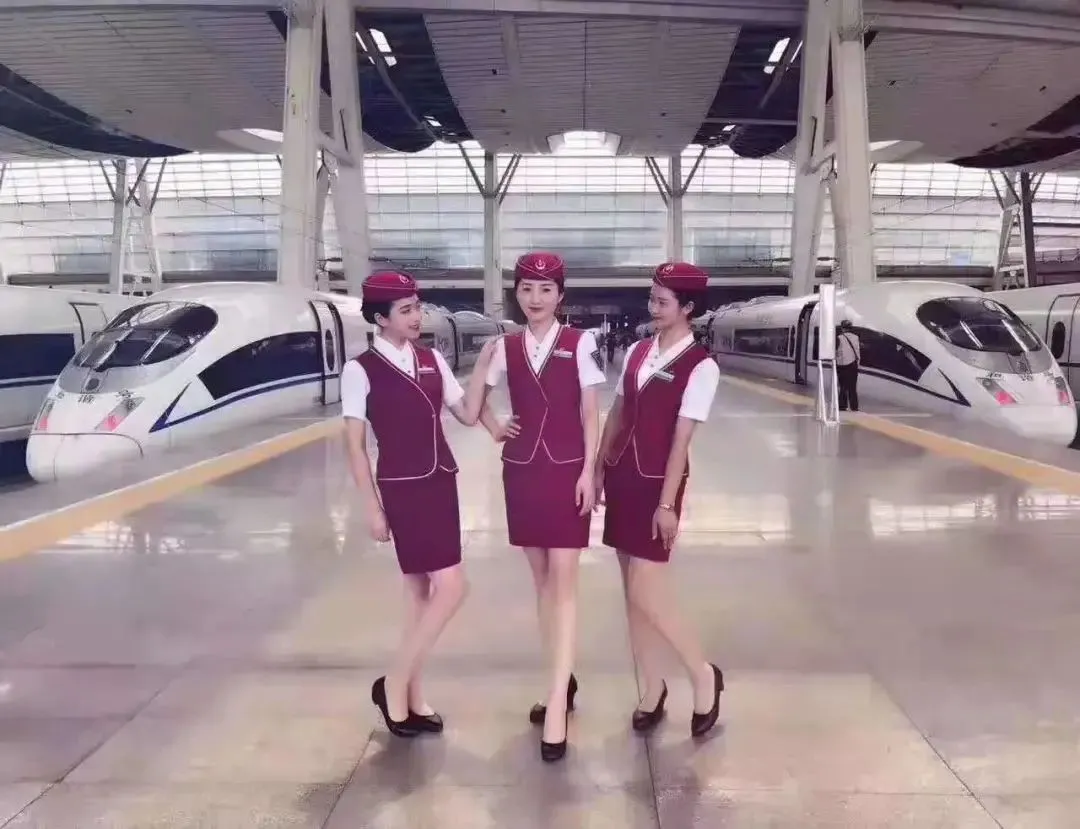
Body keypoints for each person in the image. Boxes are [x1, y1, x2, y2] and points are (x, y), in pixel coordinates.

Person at [343, 270, 517, 738]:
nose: (417, 317)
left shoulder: (432, 359)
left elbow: (466, 413)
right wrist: (372, 507)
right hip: (402, 488)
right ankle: (394, 683)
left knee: (419, 594)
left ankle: (412, 696)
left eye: (417, 307)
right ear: (381, 318)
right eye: (406, 310)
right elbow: (355, 446)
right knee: (453, 587)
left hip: (441, 482)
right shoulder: (360, 371)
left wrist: (484, 371)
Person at [474, 251, 606, 762]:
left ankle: (556, 706)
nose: (535, 298)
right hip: (523, 472)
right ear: (517, 293)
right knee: (543, 586)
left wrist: (589, 472)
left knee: (565, 588)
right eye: (527, 288)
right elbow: (474, 403)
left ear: (560, 295)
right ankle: (560, 680)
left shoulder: (581, 342)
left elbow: (590, 412)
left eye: (546, 290)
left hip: (567, 472)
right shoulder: (504, 347)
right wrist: (494, 425)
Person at [596, 261, 724, 738]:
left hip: (657, 485)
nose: (653, 307)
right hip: (622, 478)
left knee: (647, 591)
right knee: (632, 595)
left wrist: (667, 505)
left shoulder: (701, 366)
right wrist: (598, 467)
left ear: (688, 308)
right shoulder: (636, 351)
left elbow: (681, 439)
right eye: (651, 298)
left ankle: (703, 674)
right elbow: (617, 411)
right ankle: (652, 688)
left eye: (663, 301)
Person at [836, 319, 861, 412]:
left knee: (843, 387)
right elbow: (857, 351)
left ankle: (842, 406)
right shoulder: (856, 337)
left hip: (842, 365)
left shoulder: (839, 338)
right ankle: (854, 407)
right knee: (852, 387)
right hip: (853, 365)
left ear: (842, 328)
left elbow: (837, 351)